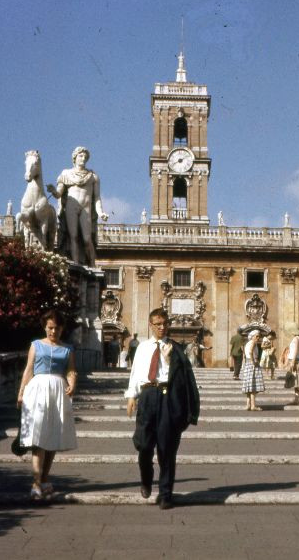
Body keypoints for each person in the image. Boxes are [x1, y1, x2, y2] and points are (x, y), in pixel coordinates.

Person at [125, 308, 200, 509]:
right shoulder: (142, 347)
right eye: (158, 324)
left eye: (165, 323)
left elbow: (181, 377)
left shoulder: (175, 348)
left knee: (167, 448)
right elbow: (136, 372)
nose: (162, 327)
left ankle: (166, 493)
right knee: (144, 445)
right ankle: (146, 478)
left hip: (167, 397)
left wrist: (168, 361)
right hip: (148, 395)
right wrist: (131, 395)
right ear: (151, 325)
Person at [17, 309, 78, 499]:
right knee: (38, 435)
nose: (53, 332)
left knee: (53, 435)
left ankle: (44, 479)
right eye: (50, 328)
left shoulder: (68, 349)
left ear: (62, 329)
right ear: (45, 327)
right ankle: (35, 482)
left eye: (57, 329)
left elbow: (71, 370)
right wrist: (21, 393)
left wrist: (73, 383)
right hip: (38, 388)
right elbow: (28, 370)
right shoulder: (36, 345)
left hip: (58, 390)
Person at [47, 146, 109, 267]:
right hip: (71, 207)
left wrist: (101, 212)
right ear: (75, 158)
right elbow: (59, 193)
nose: (83, 158)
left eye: (85, 156)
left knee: (87, 239)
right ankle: (75, 264)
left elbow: (96, 198)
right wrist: (53, 190)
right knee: (73, 236)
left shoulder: (93, 176)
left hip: (86, 209)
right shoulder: (66, 174)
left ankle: (92, 264)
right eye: (81, 156)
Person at [281, 324, 299, 406]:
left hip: (295, 361)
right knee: (296, 382)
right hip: (297, 360)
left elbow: (295, 350)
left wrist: (292, 361)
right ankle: (296, 399)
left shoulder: (296, 339)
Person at [240, 330, 265, 411]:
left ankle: (248, 405)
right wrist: (253, 361)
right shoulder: (253, 343)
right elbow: (250, 352)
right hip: (252, 365)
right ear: (253, 336)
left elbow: (245, 353)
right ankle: (253, 406)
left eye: (259, 336)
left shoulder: (248, 343)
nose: (258, 338)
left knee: (249, 386)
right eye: (256, 336)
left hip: (248, 364)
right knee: (253, 386)